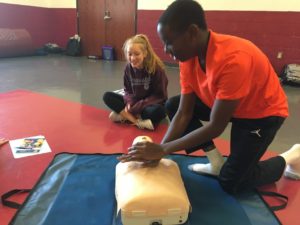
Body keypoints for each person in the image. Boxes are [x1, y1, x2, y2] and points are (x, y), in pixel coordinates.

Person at [119, 0, 300, 194]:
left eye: (169, 42)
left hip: (260, 114)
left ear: (192, 32)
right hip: (227, 104)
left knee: (231, 183)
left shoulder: (233, 60)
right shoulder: (188, 56)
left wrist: (163, 150)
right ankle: (216, 163)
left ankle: (292, 155)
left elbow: (216, 127)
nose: (165, 50)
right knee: (173, 104)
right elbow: (183, 113)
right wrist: (160, 149)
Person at [103, 34, 168, 130]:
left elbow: (160, 96)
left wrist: (139, 106)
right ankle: (136, 121)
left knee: (157, 111)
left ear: (145, 53)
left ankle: (124, 115)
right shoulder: (128, 68)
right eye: (130, 54)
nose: (133, 58)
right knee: (107, 96)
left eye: (137, 54)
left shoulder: (156, 69)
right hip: (135, 102)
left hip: (151, 104)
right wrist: (130, 102)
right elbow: (127, 90)